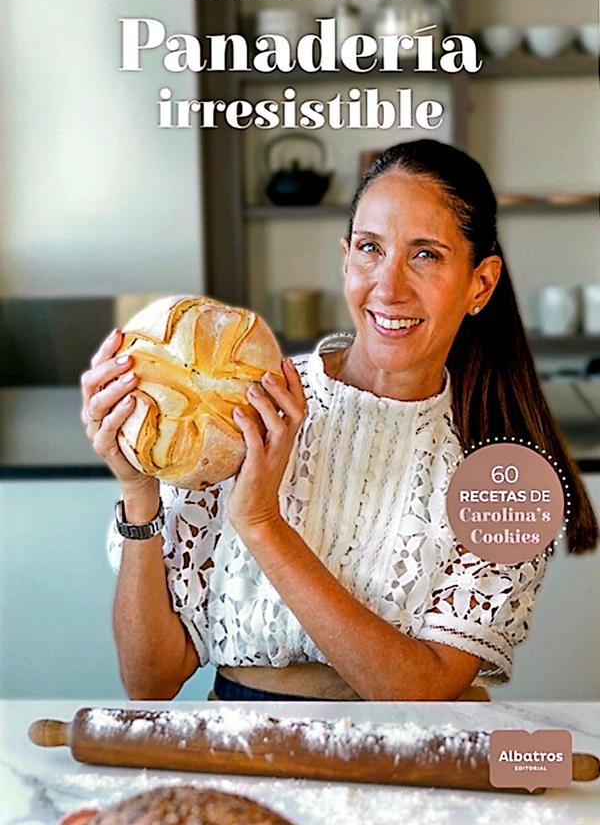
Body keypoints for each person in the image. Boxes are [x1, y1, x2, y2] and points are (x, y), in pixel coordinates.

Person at [81, 139, 598, 702]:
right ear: (346, 257)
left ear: (482, 283)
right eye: (371, 248)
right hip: (242, 738)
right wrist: (139, 490)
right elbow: (151, 680)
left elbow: (421, 690)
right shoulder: (245, 407)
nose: (389, 288)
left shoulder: (506, 474)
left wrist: (262, 523)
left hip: (412, 749)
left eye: (425, 255)